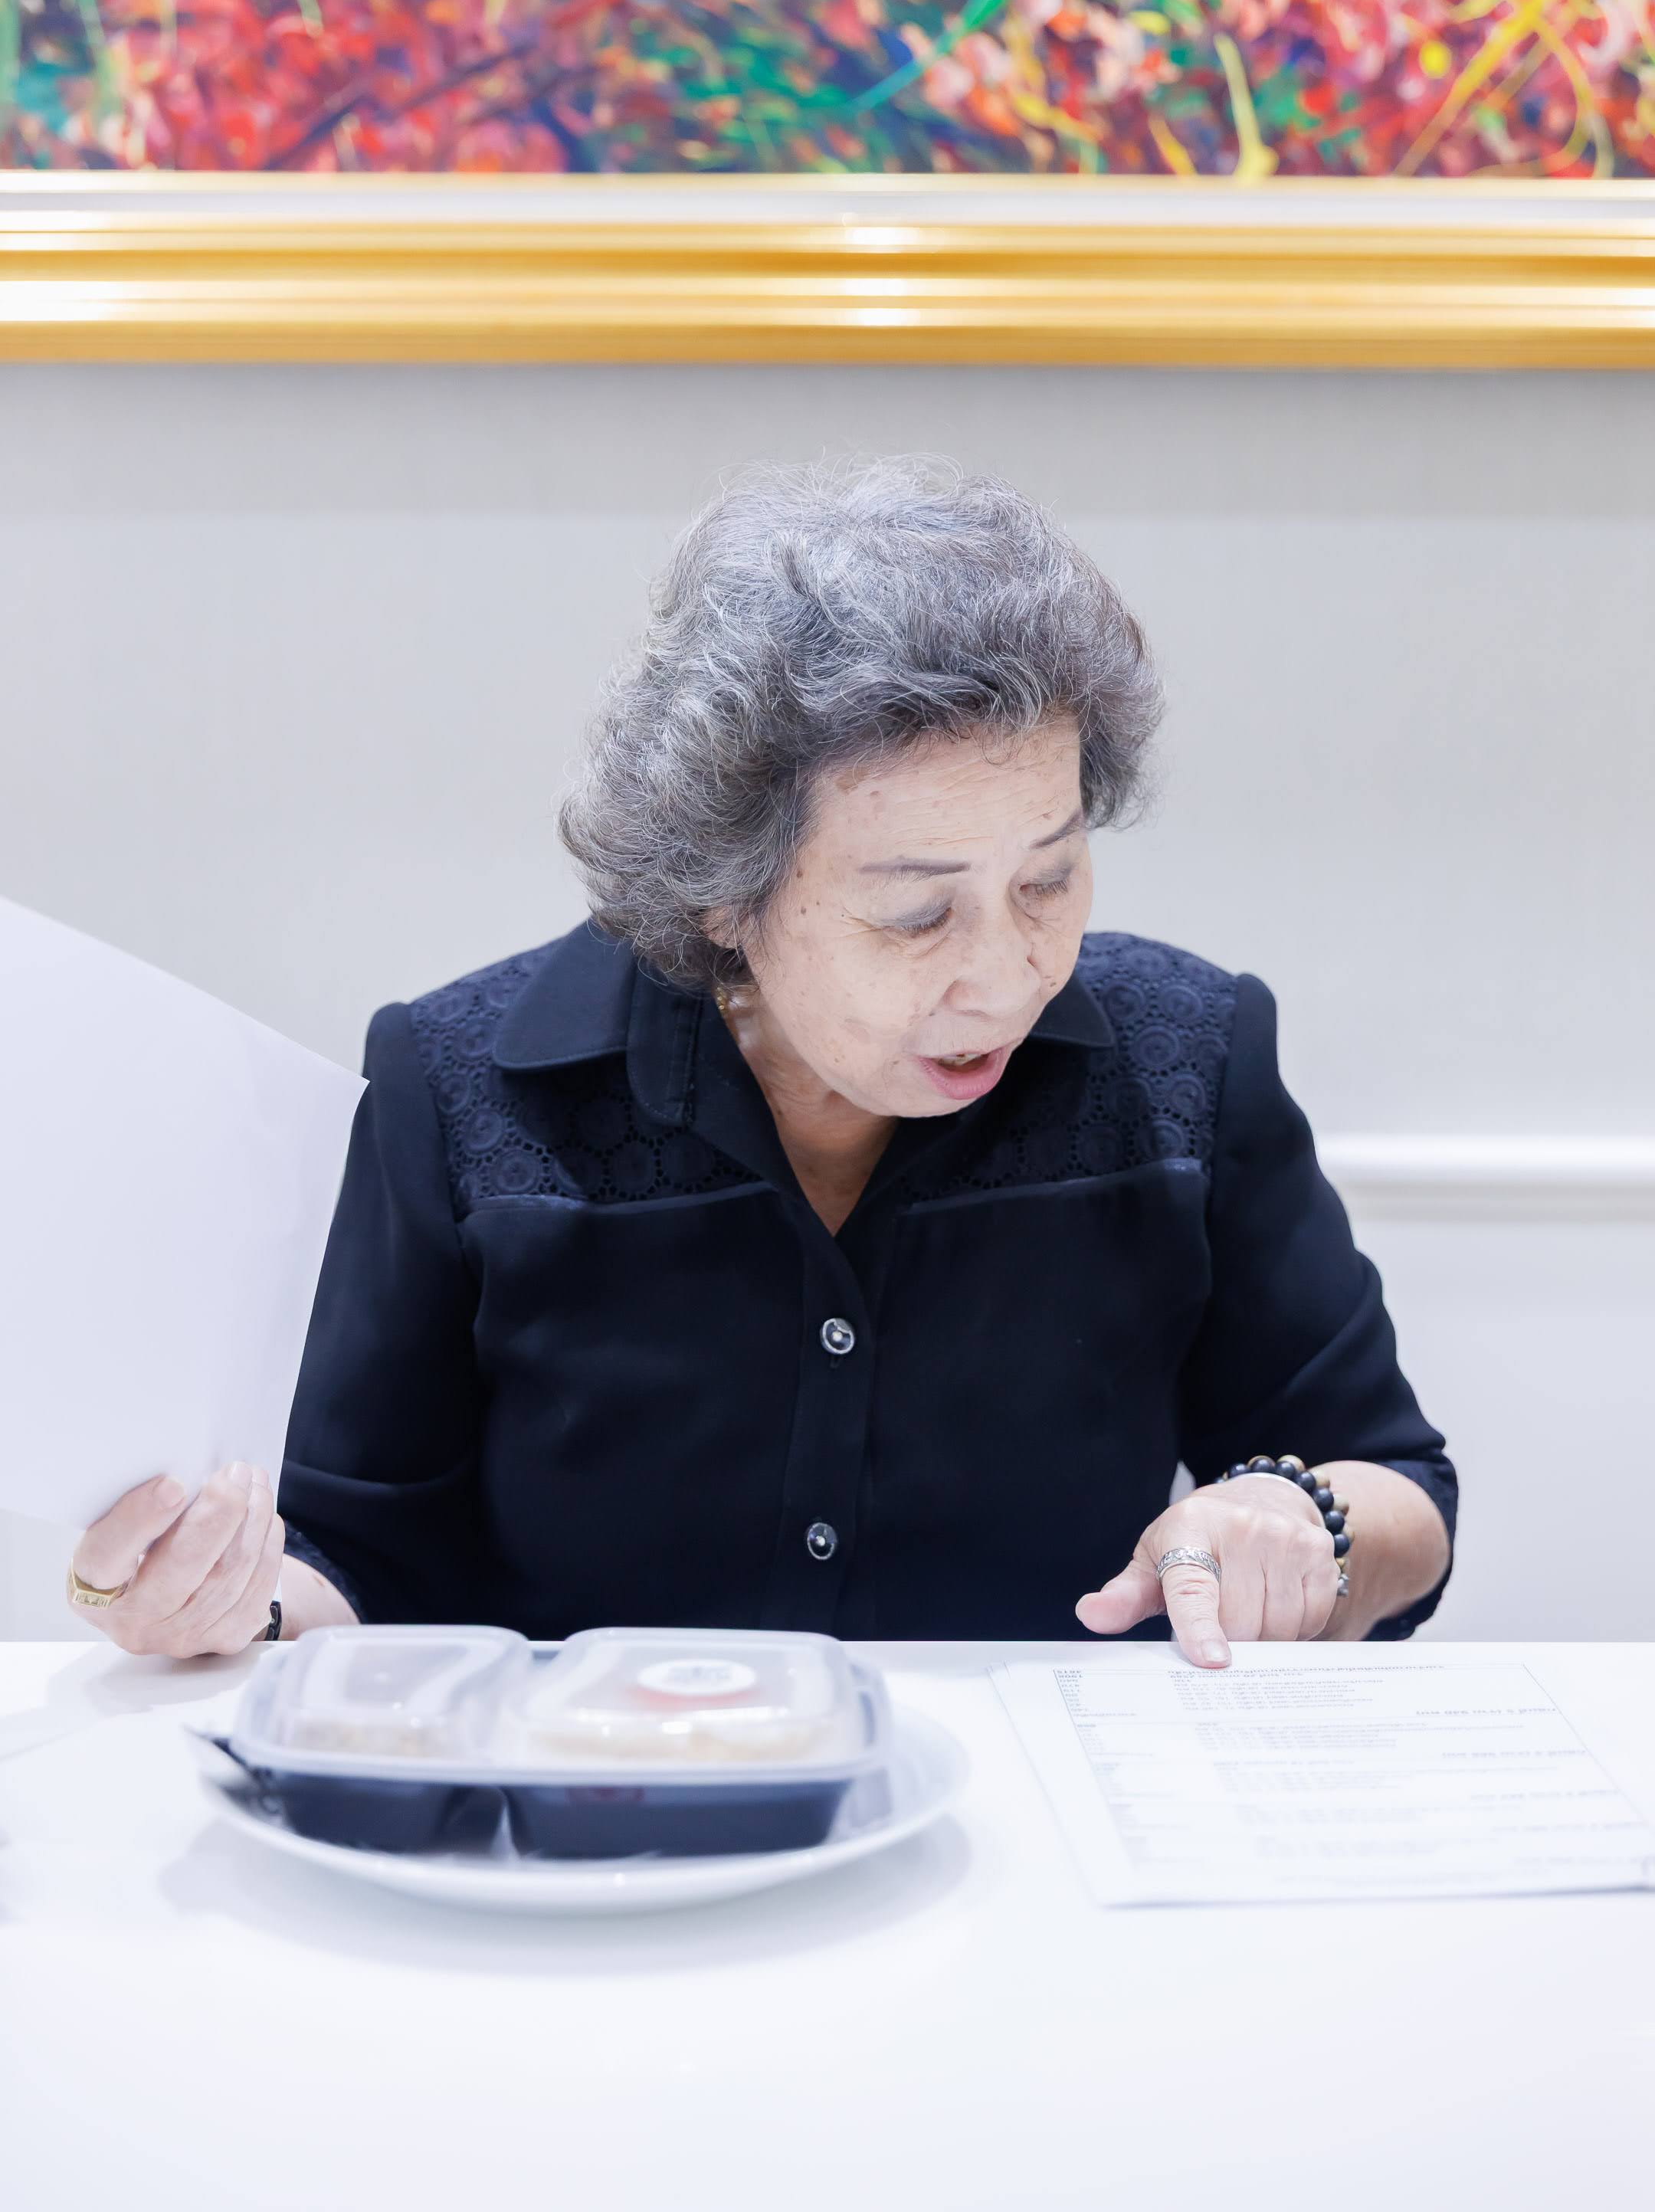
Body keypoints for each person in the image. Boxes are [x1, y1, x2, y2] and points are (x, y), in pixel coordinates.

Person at [69, 460, 1453, 1668]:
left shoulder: (1189, 1060)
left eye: (1049, 878)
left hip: (1040, 1830)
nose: (1008, 972)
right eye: (914, 912)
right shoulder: (463, 1088)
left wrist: (1299, 1525)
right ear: (725, 895)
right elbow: (356, 1560)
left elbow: (1398, 1484)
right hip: (596, 1823)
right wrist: (222, 1602)